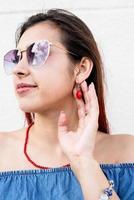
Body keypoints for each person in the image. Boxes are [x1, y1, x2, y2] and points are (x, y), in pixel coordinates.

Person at [0, 8, 134, 200]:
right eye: (16, 58)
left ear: (81, 69)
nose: (19, 70)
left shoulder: (128, 153)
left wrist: (84, 162)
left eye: (37, 52)